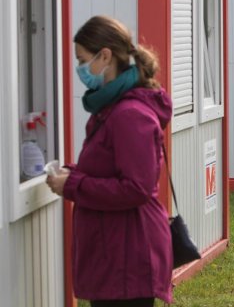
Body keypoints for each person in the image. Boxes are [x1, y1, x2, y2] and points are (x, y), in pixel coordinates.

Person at [46, 16, 173, 306]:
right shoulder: (112, 108)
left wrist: (74, 184)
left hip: (128, 258)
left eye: (82, 60)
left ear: (105, 56)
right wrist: (72, 175)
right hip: (116, 256)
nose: (80, 70)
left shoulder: (129, 115)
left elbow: (136, 188)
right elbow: (110, 170)